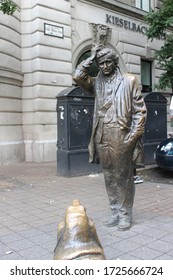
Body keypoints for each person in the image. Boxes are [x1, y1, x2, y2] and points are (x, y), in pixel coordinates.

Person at [73, 45, 147, 230]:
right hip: (102, 133)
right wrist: (91, 57)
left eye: (108, 62)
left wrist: (132, 136)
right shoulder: (96, 82)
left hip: (121, 134)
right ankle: (114, 211)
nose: (105, 66)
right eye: (101, 63)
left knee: (123, 176)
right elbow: (77, 77)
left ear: (115, 63)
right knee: (109, 175)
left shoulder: (128, 81)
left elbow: (140, 111)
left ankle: (125, 214)